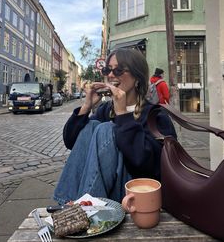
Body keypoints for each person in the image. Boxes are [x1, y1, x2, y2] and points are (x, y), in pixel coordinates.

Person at [53, 48, 176, 205]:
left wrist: (123, 114)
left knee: (105, 129)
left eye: (118, 70)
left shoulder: (156, 116)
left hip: (135, 194)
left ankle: (86, 211)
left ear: (137, 77)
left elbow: (147, 166)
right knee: (92, 126)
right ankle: (67, 206)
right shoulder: (105, 110)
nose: (111, 75)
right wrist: (87, 106)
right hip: (106, 192)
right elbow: (71, 143)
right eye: (107, 69)